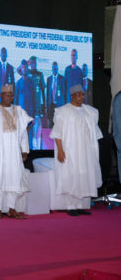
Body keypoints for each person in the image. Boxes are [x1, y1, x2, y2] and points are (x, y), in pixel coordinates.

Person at [0, 84, 32, 219]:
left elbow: (23, 132)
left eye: (11, 95)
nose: (9, 97)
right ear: (1, 95)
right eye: (6, 94)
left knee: (15, 178)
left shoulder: (19, 111)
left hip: (14, 151)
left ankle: (12, 209)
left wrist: (24, 149)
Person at [49, 84, 102, 216]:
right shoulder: (63, 111)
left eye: (82, 94)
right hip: (70, 149)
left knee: (83, 175)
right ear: (72, 96)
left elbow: (95, 134)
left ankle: (80, 205)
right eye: (77, 94)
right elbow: (57, 133)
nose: (80, 97)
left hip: (85, 150)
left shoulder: (89, 111)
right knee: (71, 175)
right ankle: (70, 206)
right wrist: (60, 151)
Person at [28, 56, 46, 149]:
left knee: (38, 128)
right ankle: (31, 148)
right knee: (30, 130)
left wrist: (43, 108)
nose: (33, 64)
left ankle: (37, 148)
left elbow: (43, 92)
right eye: (31, 63)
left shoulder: (40, 74)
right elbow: (19, 70)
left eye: (34, 63)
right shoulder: (27, 73)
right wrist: (27, 63)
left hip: (38, 107)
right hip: (29, 107)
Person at [46, 62, 66, 127]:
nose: (54, 70)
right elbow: (48, 94)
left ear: (58, 69)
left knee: (59, 125)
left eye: (56, 69)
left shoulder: (62, 79)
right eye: (53, 69)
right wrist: (47, 106)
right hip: (51, 106)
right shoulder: (49, 79)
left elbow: (64, 93)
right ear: (52, 69)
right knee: (51, 125)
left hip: (59, 105)